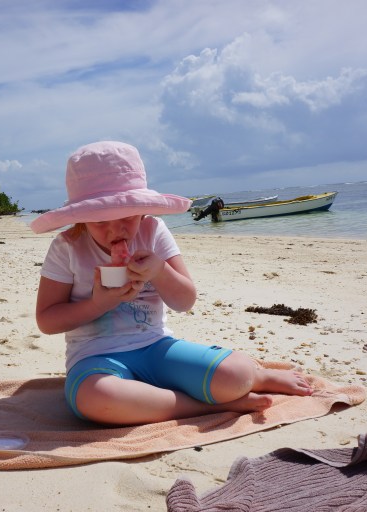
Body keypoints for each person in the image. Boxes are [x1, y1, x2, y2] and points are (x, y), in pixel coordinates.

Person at [31, 141, 313, 425]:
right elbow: (47, 320)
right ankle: (209, 407)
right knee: (95, 399)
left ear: (142, 208)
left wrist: (160, 271)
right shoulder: (68, 247)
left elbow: (185, 301)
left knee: (237, 374)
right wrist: (97, 304)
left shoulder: (152, 231)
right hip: (95, 356)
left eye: (127, 215)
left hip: (156, 346)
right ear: (81, 217)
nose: (116, 229)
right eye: (100, 220)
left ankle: (259, 377)